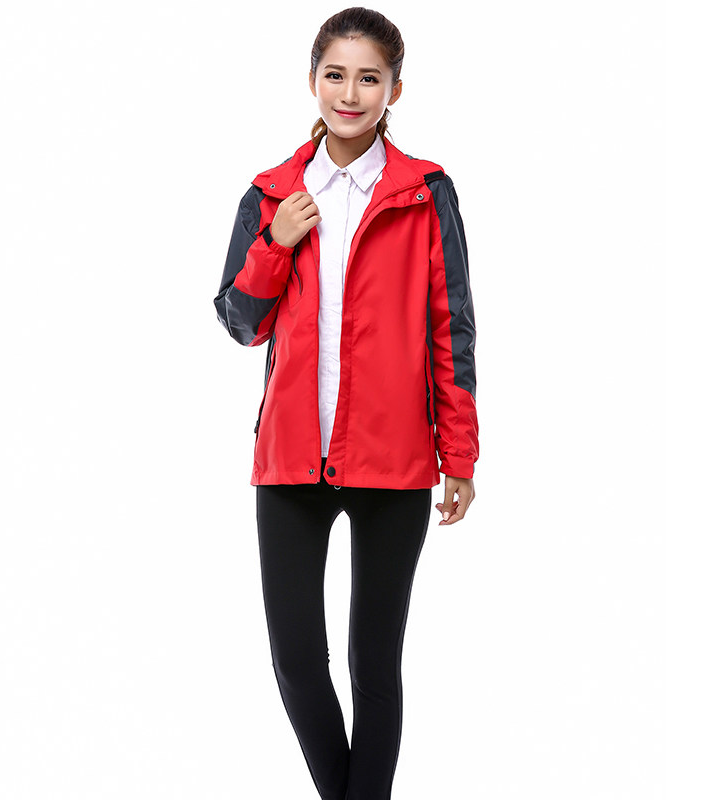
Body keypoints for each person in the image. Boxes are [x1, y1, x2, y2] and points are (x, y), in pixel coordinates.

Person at [213, 7, 479, 798]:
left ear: (395, 89)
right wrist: (276, 244)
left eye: (369, 78)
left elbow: (452, 327)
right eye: (336, 75)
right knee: (296, 661)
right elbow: (239, 322)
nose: (351, 94)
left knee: (373, 663)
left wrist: (459, 455)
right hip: (289, 461)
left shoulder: (426, 193)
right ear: (312, 81)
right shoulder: (272, 193)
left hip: (395, 459)